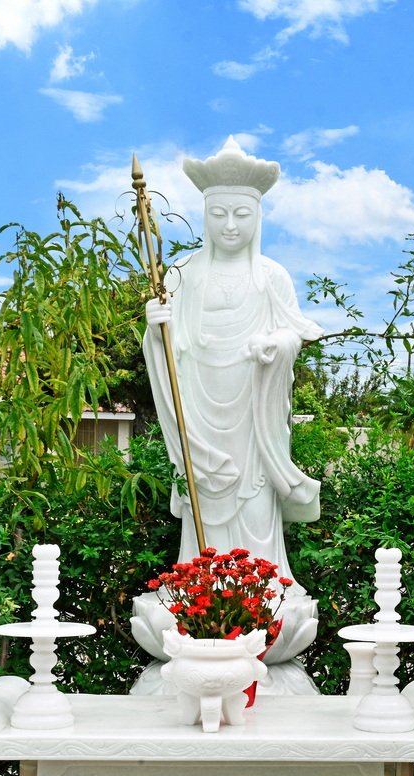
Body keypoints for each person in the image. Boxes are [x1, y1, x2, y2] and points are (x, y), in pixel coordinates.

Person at [142, 136, 322, 578]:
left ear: (257, 217)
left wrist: (277, 345)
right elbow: (166, 346)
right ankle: (197, 588)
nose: (229, 225)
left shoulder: (272, 276)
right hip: (199, 411)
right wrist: (155, 326)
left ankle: (263, 585)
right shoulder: (182, 273)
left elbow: (294, 333)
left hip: (253, 414)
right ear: (205, 216)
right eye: (218, 213)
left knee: (255, 503)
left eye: (241, 214)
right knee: (203, 499)